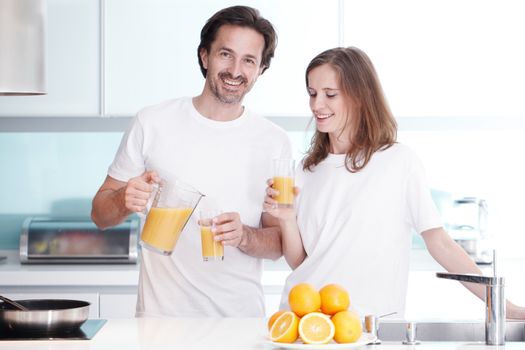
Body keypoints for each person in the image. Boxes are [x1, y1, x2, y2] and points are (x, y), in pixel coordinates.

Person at [263, 46, 525, 319]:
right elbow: (302, 263)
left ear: (360, 97)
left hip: (370, 328)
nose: (317, 105)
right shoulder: (306, 170)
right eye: (312, 93)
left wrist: (503, 306)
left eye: (330, 95)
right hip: (304, 323)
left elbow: (441, 244)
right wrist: (286, 219)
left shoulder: (398, 162)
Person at [91, 6, 291, 317]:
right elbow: (100, 214)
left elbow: (280, 242)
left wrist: (245, 236)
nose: (236, 70)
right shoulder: (152, 122)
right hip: (160, 325)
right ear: (204, 56)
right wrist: (123, 199)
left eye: (249, 60)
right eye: (225, 54)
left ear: (260, 69)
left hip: (238, 326)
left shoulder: (274, 141)